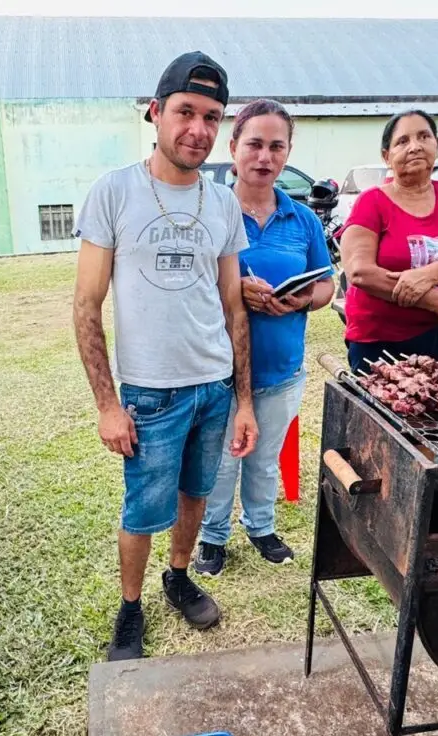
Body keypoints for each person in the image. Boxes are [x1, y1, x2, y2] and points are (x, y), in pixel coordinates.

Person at [72, 51, 258, 662]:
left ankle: (178, 578)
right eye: (185, 111)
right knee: (142, 509)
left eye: (211, 117)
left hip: (214, 387)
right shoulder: (115, 192)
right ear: (155, 112)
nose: (198, 129)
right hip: (150, 393)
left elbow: (233, 306)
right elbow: (86, 305)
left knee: (195, 495)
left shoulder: (222, 203)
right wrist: (108, 406)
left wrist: (244, 401)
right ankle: (130, 608)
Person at [193, 99, 333, 577]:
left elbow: (327, 285)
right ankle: (212, 536)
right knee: (220, 462)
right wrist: (233, 289)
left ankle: (261, 526)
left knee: (265, 457)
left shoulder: (303, 219)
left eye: (277, 146)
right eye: (254, 144)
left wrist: (304, 299)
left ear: (288, 152)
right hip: (218, 370)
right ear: (233, 148)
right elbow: (188, 284)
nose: (264, 156)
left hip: (282, 369)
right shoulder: (208, 211)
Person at [339, 110, 438, 373]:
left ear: (437, 144)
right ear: (386, 156)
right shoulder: (372, 202)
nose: (415, 147)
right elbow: (360, 272)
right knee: (388, 399)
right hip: (382, 341)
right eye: (402, 141)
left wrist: (425, 276)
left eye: (424, 136)